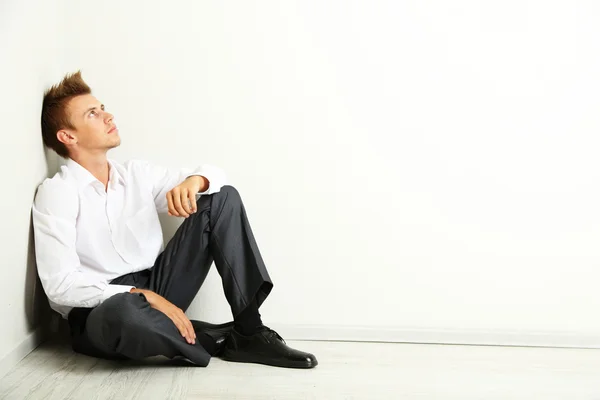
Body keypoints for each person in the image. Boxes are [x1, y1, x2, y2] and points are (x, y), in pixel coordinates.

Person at [32, 71, 317, 369]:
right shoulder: (58, 193)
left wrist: (195, 182)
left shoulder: (136, 175)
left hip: (160, 285)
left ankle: (249, 330)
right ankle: (211, 338)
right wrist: (137, 294)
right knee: (126, 315)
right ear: (68, 136)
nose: (107, 115)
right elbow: (59, 285)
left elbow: (216, 178)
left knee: (221, 197)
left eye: (103, 107)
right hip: (103, 307)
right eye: (93, 113)